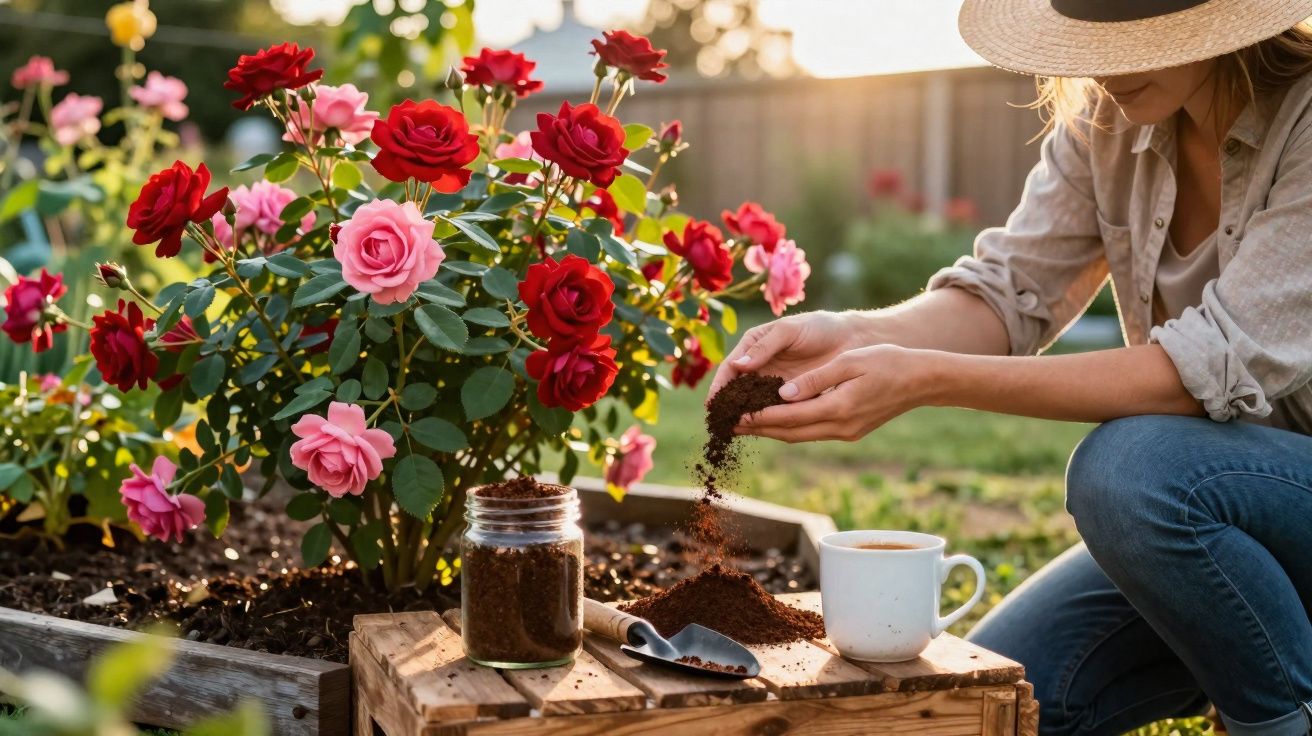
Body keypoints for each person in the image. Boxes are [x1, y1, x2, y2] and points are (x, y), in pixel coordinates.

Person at [708, 1, 1312, 734]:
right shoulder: (1108, 123)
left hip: (1259, 495)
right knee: (1002, 699)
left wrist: (928, 379)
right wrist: (854, 334)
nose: (1100, 64)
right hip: (1209, 528)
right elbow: (1007, 293)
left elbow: (1198, 372)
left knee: (1129, 469)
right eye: (1089, 34)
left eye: (1134, 37)